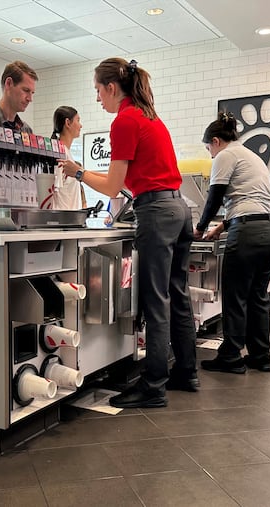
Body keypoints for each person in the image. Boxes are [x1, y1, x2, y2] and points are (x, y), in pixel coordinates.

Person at [59, 57, 198, 409]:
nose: (96, 100)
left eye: (97, 91)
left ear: (111, 88)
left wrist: (78, 172)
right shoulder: (149, 115)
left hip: (157, 213)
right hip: (180, 210)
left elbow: (111, 186)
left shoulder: (124, 120)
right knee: (176, 296)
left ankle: (154, 387)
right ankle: (186, 372)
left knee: (155, 302)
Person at [193, 112, 270, 374]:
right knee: (258, 296)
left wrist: (200, 228)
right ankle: (260, 356)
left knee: (235, 296)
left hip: (248, 235)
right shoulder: (251, 156)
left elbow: (215, 197)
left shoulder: (225, 155)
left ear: (217, 141)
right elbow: (250, 201)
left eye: (208, 147)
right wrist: (221, 227)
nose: (210, 153)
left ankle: (231, 356)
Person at [50, 106, 84, 210]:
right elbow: (56, 192)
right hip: (64, 220)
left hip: (71, 219)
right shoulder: (59, 153)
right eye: (78, 120)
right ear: (68, 123)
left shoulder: (67, 153)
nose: (81, 125)